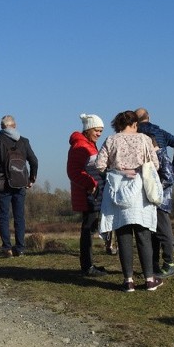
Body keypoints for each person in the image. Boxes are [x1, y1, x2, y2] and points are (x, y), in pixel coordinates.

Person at [95, 110, 163, 292]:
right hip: (140, 193)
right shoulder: (144, 139)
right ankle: (149, 279)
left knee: (124, 235)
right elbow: (155, 165)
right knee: (143, 235)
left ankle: (128, 281)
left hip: (118, 191)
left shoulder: (111, 140)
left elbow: (99, 165)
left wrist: (118, 170)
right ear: (135, 124)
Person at [0, 115, 38, 257]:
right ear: (14, 126)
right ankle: (20, 248)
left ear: (2, 127)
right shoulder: (24, 141)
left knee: (3, 216)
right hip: (21, 183)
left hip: (3, 183)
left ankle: (7, 249)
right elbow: (34, 161)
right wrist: (32, 178)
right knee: (19, 216)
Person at [66, 113, 108, 276]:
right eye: (97, 130)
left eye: (101, 131)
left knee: (90, 229)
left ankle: (89, 264)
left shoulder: (89, 144)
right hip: (87, 195)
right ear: (88, 129)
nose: (99, 134)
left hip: (93, 194)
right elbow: (73, 171)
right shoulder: (80, 146)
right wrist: (91, 185)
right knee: (88, 230)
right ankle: (87, 266)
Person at [150, 137, 174, 278]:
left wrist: (154, 190)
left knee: (164, 233)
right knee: (153, 234)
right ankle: (153, 264)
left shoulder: (161, 156)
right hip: (154, 203)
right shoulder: (155, 157)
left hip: (161, 202)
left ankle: (169, 263)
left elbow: (169, 178)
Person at [135, 108, 174, 174]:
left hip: (140, 173)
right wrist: (173, 169)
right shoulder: (160, 133)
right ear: (148, 117)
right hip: (161, 173)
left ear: (135, 121)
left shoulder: (133, 134)